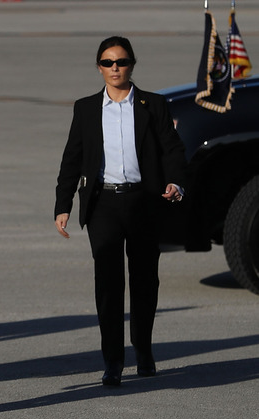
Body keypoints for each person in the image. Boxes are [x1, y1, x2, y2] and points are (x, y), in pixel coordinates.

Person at [54, 36, 186, 387]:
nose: (116, 68)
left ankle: (143, 350)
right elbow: (72, 159)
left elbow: (172, 149)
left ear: (132, 65)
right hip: (104, 206)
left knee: (145, 281)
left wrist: (175, 182)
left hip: (144, 201)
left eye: (122, 62)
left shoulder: (153, 104)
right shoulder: (85, 108)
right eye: (108, 62)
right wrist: (62, 205)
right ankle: (113, 360)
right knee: (108, 285)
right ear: (99, 67)